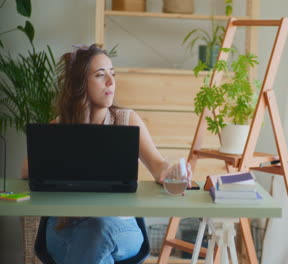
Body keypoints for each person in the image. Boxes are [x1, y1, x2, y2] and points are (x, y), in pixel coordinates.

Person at [21, 44, 192, 264]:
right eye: (101, 75)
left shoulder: (126, 120)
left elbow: (158, 165)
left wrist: (174, 171)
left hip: (118, 226)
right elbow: (27, 171)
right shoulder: (60, 126)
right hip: (65, 228)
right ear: (80, 83)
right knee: (93, 245)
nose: (111, 82)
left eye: (112, 74)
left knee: (97, 231)